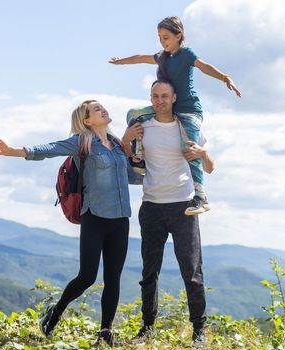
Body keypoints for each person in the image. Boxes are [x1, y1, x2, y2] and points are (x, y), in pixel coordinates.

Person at [0, 100, 143, 346]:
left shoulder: (116, 145)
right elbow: (51, 148)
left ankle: (105, 332)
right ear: (86, 120)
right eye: (96, 109)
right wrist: (15, 151)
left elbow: (128, 176)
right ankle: (56, 312)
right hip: (94, 216)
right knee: (87, 277)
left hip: (120, 218)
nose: (103, 109)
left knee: (113, 277)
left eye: (102, 106)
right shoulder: (82, 142)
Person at [110, 15, 236, 216]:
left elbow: (203, 66)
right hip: (168, 107)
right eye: (159, 37)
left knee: (190, 148)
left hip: (188, 110)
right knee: (134, 115)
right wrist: (121, 62)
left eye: (166, 37)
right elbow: (142, 58)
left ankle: (201, 197)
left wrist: (224, 78)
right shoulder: (163, 56)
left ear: (179, 36)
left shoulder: (186, 54)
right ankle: (139, 157)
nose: (162, 41)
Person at [123, 80, 214, 347]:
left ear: (174, 98)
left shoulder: (187, 127)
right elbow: (129, 158)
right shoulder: (142, 127)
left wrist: (203, 152)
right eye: (155, 96)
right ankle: (147, 328)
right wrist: (128, 141)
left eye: (164, 95)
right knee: (149, 271)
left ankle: (199, 330)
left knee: (192, 271)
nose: (159, 100)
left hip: (183, 206)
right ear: (150, 98)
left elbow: (209, 168)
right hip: (151, 205)